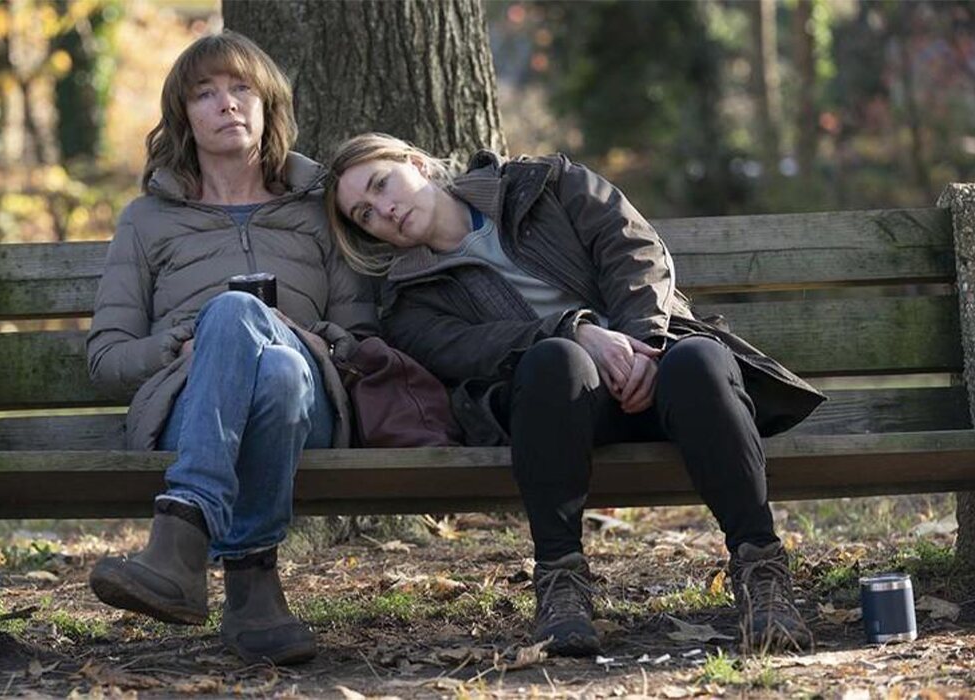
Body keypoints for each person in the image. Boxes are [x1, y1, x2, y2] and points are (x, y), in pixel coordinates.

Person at [324, 133, 825, 656]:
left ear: (416, 163)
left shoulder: (544, 185)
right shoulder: (408, 303)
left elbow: (632, 249)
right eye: (365, 215)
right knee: (555, 362)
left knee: (698, 359)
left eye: (382, 184)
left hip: (661, 365)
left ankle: (763, 575)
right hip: (561, 411)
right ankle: (561, 584)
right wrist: (577, 330)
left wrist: (644, 343)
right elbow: (475, 350)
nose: (385, 210)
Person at [85, 32, 377, 666]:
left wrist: (306, 336)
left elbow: (362, 343)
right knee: (265, 363)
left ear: (268, 105)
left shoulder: (319, 208)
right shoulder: (146, 220)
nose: (227, 104)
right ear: (183, 116)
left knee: (263, 341)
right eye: (206, 93)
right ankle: (252, 591)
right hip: (188, 414)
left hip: (312, 412)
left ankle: (181, 541)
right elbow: (106, 360)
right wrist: (179, 346)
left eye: (242, 88)